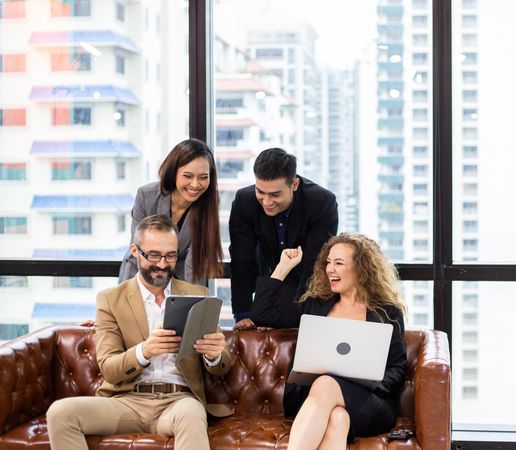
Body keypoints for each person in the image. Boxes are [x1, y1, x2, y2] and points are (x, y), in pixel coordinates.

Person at [47, 215, 232, 450]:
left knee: (192, 413)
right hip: (127, 402)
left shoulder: (198, 294)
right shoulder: (110, 300)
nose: (163, 264)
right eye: (153, 255)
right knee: (60, 413)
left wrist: (214, 355)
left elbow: (223, 365)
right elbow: (109, 369)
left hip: (178, 401)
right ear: (135, 250)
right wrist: (144, 351)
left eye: (170, 256)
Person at [251, 233, 407, 448]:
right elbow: (263, 314)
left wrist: (370, 384)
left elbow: (397, 368)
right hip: (315, 401)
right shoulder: (316, 304)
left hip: (369, 404)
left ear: (361, 270)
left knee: (326, 383)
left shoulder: (387, 312)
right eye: (328, 262)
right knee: (338, 419)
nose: (330, 269)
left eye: (339, 263)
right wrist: (283, 267)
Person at [229, 147, 338, 329]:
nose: (267, 202)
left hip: (307, 286)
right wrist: (244, 314)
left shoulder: (321, 203)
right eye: (260, 192)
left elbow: (314, 266)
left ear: (294, 185)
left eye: (275, 195)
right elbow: (242, 260)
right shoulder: (244, 201)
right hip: (267, 280)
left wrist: (291, 317)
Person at [119, 138, 223, 284]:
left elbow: (194, 262)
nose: (195, 184)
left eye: (203, 177)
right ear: (174, 173)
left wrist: (192, 301)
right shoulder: (146, 195)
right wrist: (128, 296)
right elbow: (137, 251)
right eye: (187, 176)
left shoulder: (209, 203)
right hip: (143, 274)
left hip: (180, 280)